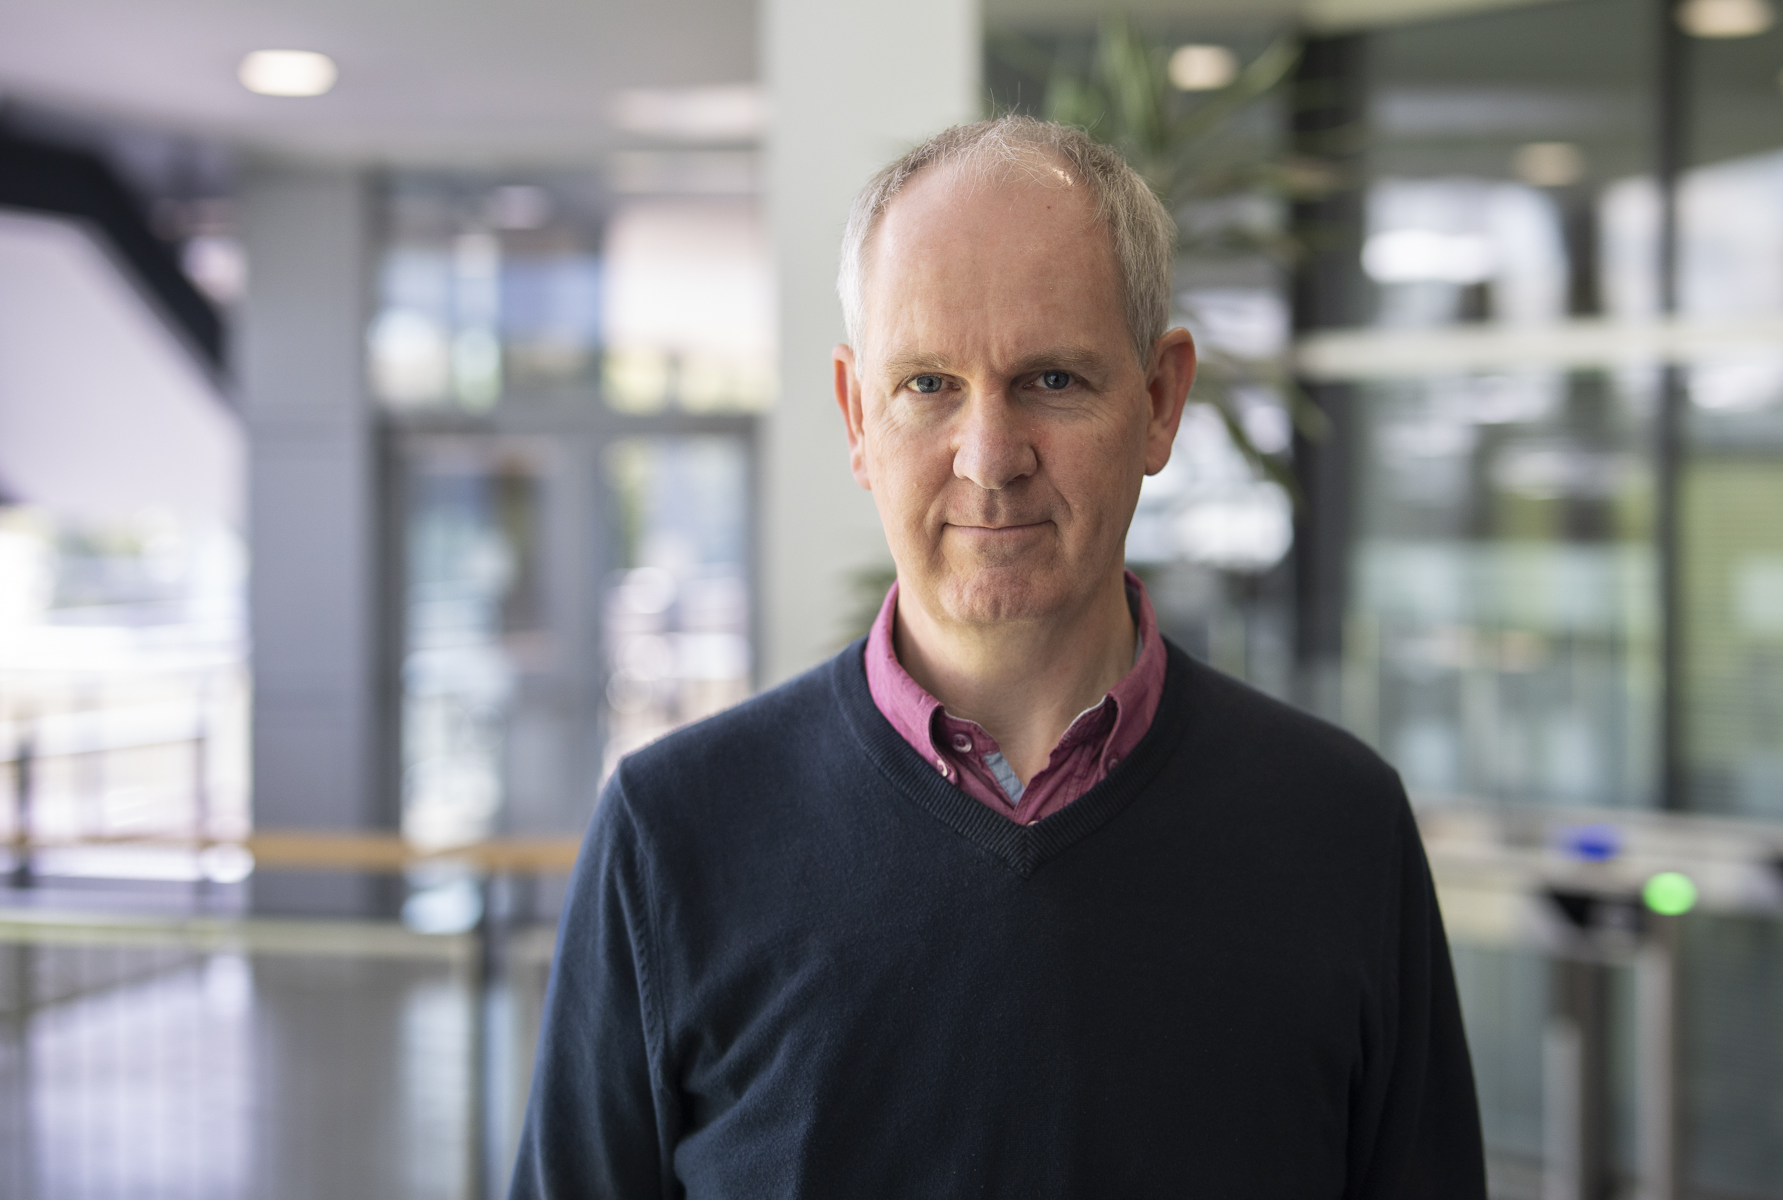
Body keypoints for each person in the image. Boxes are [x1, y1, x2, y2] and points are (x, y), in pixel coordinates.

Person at [510, 116, 1484, 1198]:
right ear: (855, 414)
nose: (989, 459)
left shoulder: (1340, 829)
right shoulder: (674, 835)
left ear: (1161, 401)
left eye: (1053, 380)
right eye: (928, 384)